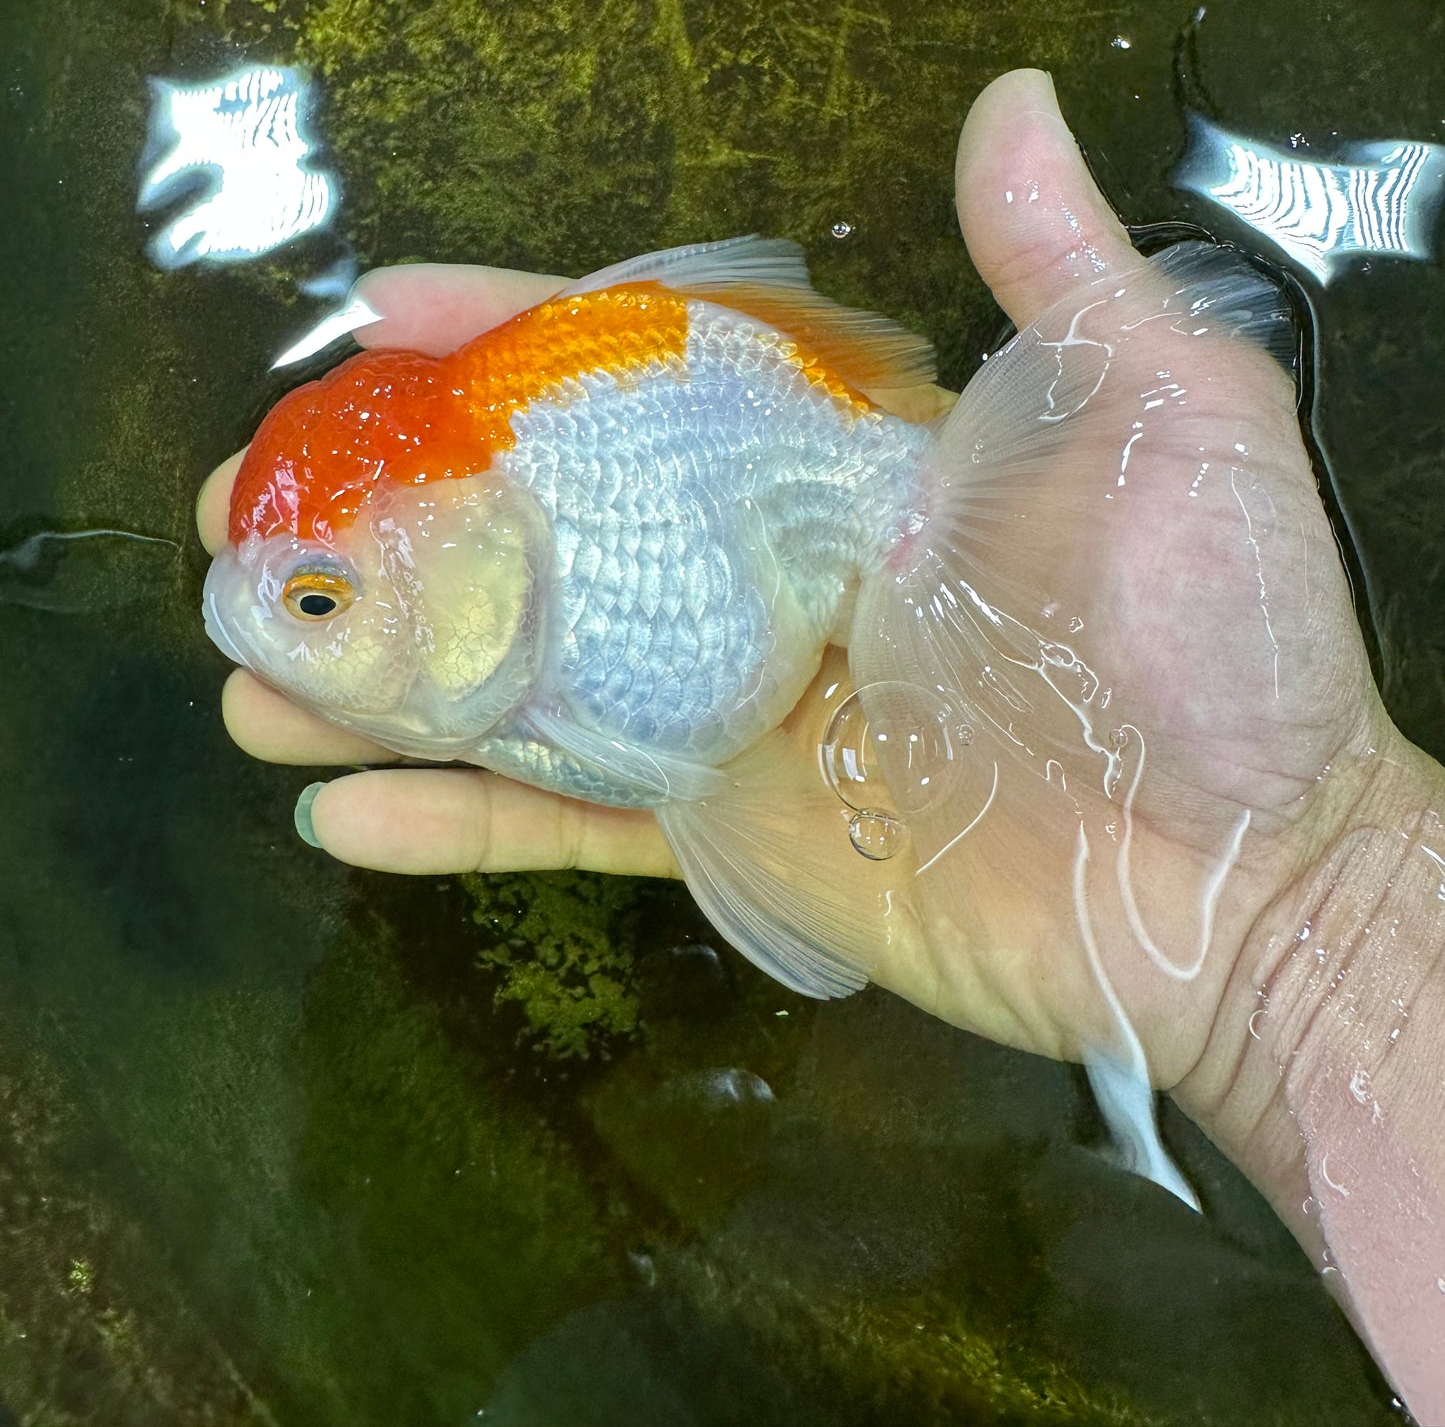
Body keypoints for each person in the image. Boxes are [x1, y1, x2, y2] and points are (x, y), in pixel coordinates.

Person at [198, 69, 1445, 1421]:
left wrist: (1292, 900)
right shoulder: (505, 575)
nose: (279, 619)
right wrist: (1295, 924)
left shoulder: (603, 555)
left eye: (318, 601)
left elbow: (698, 774)